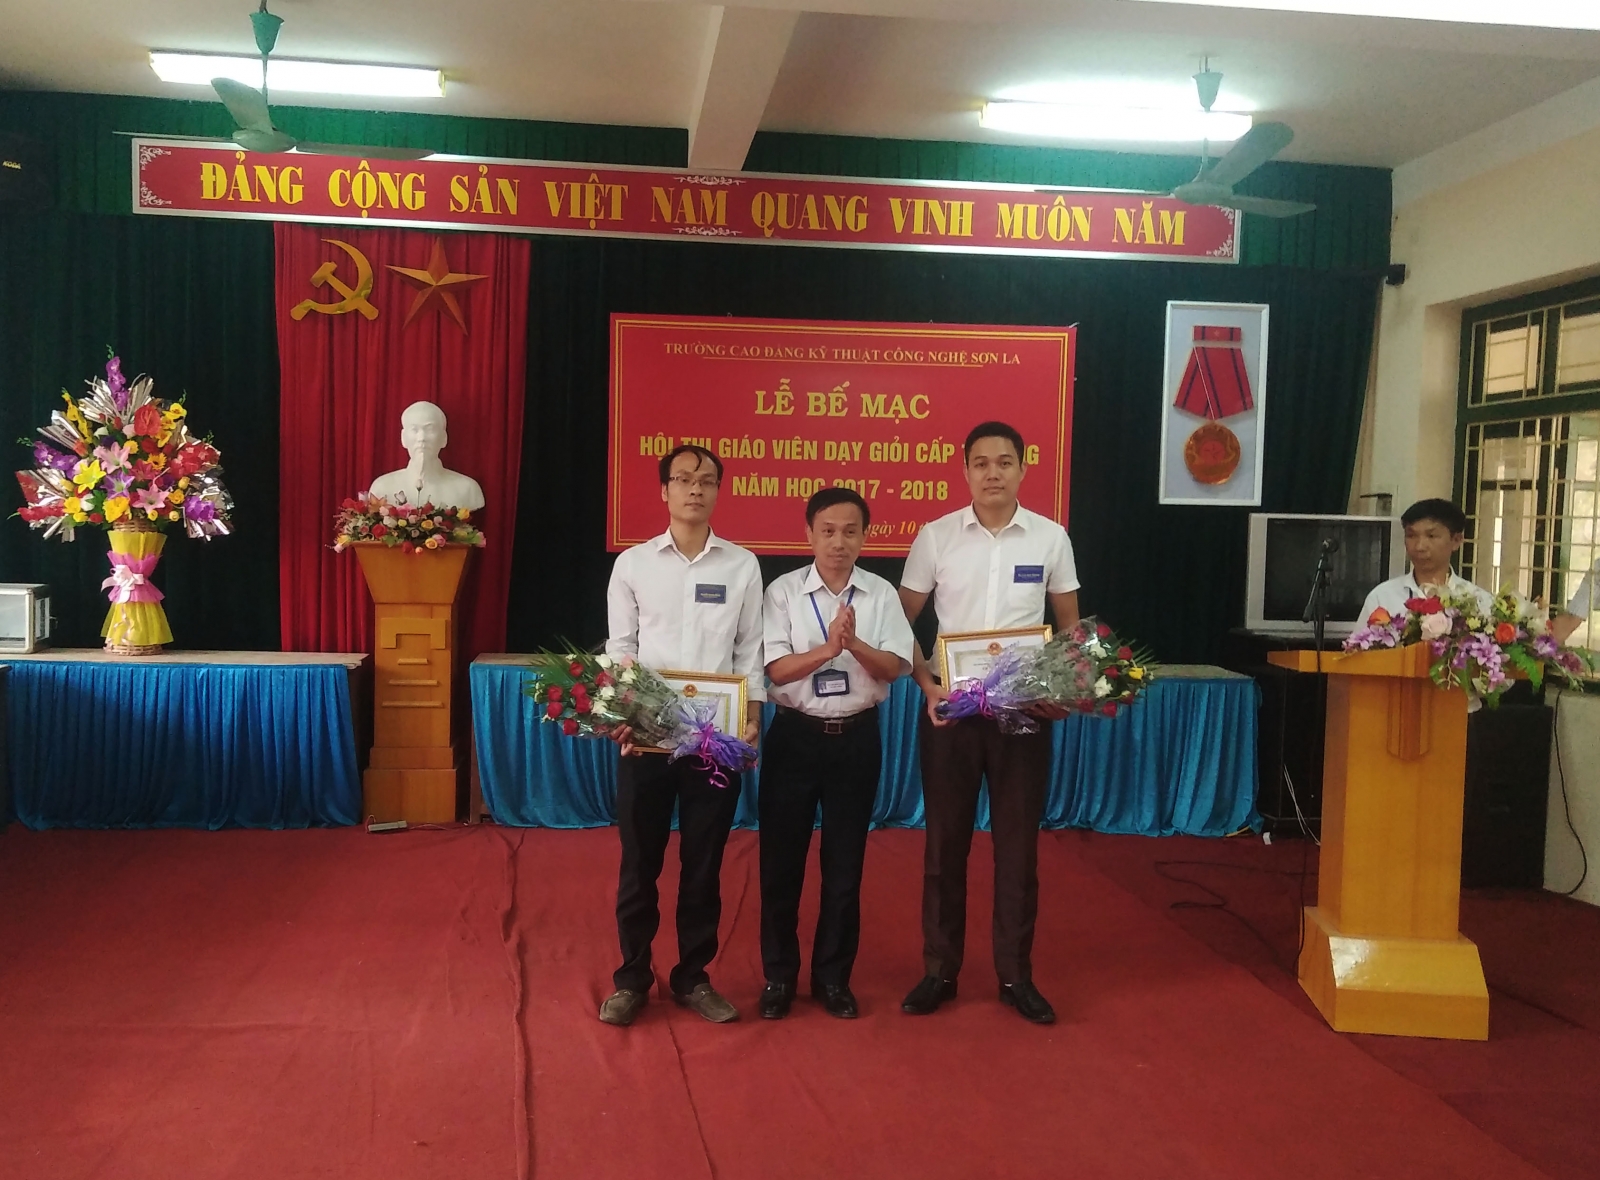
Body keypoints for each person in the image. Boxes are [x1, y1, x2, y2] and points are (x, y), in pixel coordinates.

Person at [896, 421, 1080, 1026]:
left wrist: (1060, 690)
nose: (992, 473)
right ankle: (939, 970)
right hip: (952, 713)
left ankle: (1015, 976)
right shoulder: (936, 536)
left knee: (1018, 851)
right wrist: (927, 683)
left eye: (1004, 462)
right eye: (981, 463)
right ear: (965, 470)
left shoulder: (1051, 538)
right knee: (943, 846)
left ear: (1024, 468)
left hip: (1023, 715)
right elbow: (899, 624)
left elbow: (1070, 629)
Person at [598, 444, 764, 1027]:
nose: (696, 489)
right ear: (664, 490)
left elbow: (749, 652)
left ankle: (693, 977)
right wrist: (621, 711)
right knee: (639, 863)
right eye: (684, 479)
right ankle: (631, 979)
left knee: (704, 864)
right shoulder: (634, 564)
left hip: (715, 740)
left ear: (719, 490)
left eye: (707, 480)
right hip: (646, 738)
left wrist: (751, 719)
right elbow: (621, 649)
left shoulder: (742, 566)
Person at [758, 487, 915, 1020]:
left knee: (845, 867)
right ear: (808, 534)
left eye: (850, 531)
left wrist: (853, 646)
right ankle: (779, 977)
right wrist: (828, 649)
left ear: (865, 537)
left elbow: (895, 667)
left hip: (856, 739)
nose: (838, 542)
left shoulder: (881, 594)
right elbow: (775, 670)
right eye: (827, 531)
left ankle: (833, 979)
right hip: (794, 738)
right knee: (781, 864)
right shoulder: (782, 592)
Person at [1357, 499, 1493, 625]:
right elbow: (1359, 643)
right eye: (1411, 535)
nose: (1419, 546)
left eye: (1431, 536)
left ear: (1456, 540)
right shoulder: (1382, 597)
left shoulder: (1480, 602)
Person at [367, 400, 486, 510]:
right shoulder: (382, 487)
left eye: (430, 429)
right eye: (414, 430)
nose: (422, 438)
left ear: (444, 438)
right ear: (403, 438)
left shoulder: (467, 489)